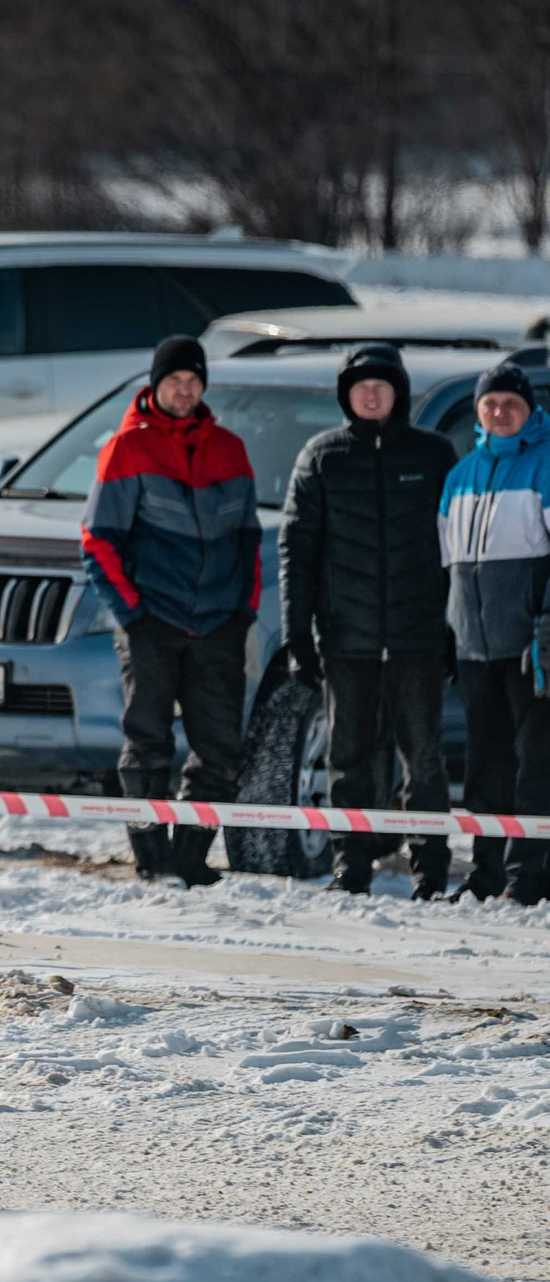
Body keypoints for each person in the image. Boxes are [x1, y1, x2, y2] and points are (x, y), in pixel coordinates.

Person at [82, 335, 263, 886]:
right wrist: (132, 614)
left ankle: (189, 859)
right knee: (148, 744)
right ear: (155, 386)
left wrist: (244, 610)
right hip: (151, 622)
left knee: (220, 749)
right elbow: (97, 541)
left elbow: (249, 540)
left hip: (217, 625)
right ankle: (152, 860)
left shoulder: (230, 448)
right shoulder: (126, 447)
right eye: (173, 382)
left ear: (203, 386)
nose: (183, 391)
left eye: (192, 381)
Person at [278, 343, 457, 898]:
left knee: (424, 758)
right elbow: (297, 549)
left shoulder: (432, 455)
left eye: (382, 384)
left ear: (399, 392)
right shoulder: (323, 456)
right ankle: (349, 865)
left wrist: (453, 629)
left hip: (418, 638)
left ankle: (430, 870)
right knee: (348, 759)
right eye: (361, 386)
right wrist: (296, 635)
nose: (372, 393)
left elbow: (454, 548)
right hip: (346, 639)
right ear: (346, 395)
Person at [438, 360, 550, 904]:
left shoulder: (546, 464)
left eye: (512, 404)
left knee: (535, 764)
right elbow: (448, 567)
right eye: (491, 404)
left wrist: (545, 628)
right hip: (474, 649)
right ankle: (484, 875)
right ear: (479, 412)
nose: (501, 412)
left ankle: (526, 878)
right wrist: (449, 634)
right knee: (484, 767)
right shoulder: (460, 476)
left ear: (530, 410)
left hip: (530, 647)